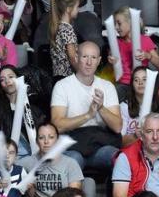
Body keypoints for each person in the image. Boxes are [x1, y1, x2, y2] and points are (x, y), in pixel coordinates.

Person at [51, 41, 122, 172]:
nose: (89, 62)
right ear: (77, 58)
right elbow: (57, 126)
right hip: (72, 146)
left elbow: (117, 127)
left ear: (99, 60)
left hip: (100, 145)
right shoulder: (62, 86)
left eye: (93, 58)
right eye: (85, 57)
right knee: (73, 162)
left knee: (119, 159)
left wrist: (101, 108)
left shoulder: (107, 86)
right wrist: (88, 115)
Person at [0, 65, 45, 160]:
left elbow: (42, 133)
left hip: (36, 153)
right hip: (13, 157)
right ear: (0, 85)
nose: (7, 81)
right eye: (2, 79)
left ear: (19, 79)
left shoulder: (32, 107)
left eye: (11, 77)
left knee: (74, 155)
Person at [18, 122, 83, 197]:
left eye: (51, 137)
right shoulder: (28, 162)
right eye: (41, 138)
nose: (46, 141)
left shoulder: (71, 163)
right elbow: (6, 170)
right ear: (37, 141)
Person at [109, 6, 159, 95]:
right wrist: (112, 60)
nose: (116, 27)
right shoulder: (116, 43)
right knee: (111, 97)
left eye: (119, 23)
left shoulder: (145, 40)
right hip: (123, 84)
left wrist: (148, 55)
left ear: (130, 22)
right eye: (114, 24)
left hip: (141, 83)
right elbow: (113, 61)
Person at [49, 0, 79, 80]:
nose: (79, 10)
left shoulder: (58, 27)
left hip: (57, 76)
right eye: (77, 7)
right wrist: (81, 73)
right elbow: (72, 56)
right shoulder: (67, 30)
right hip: (67, 77)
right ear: (69, 9)